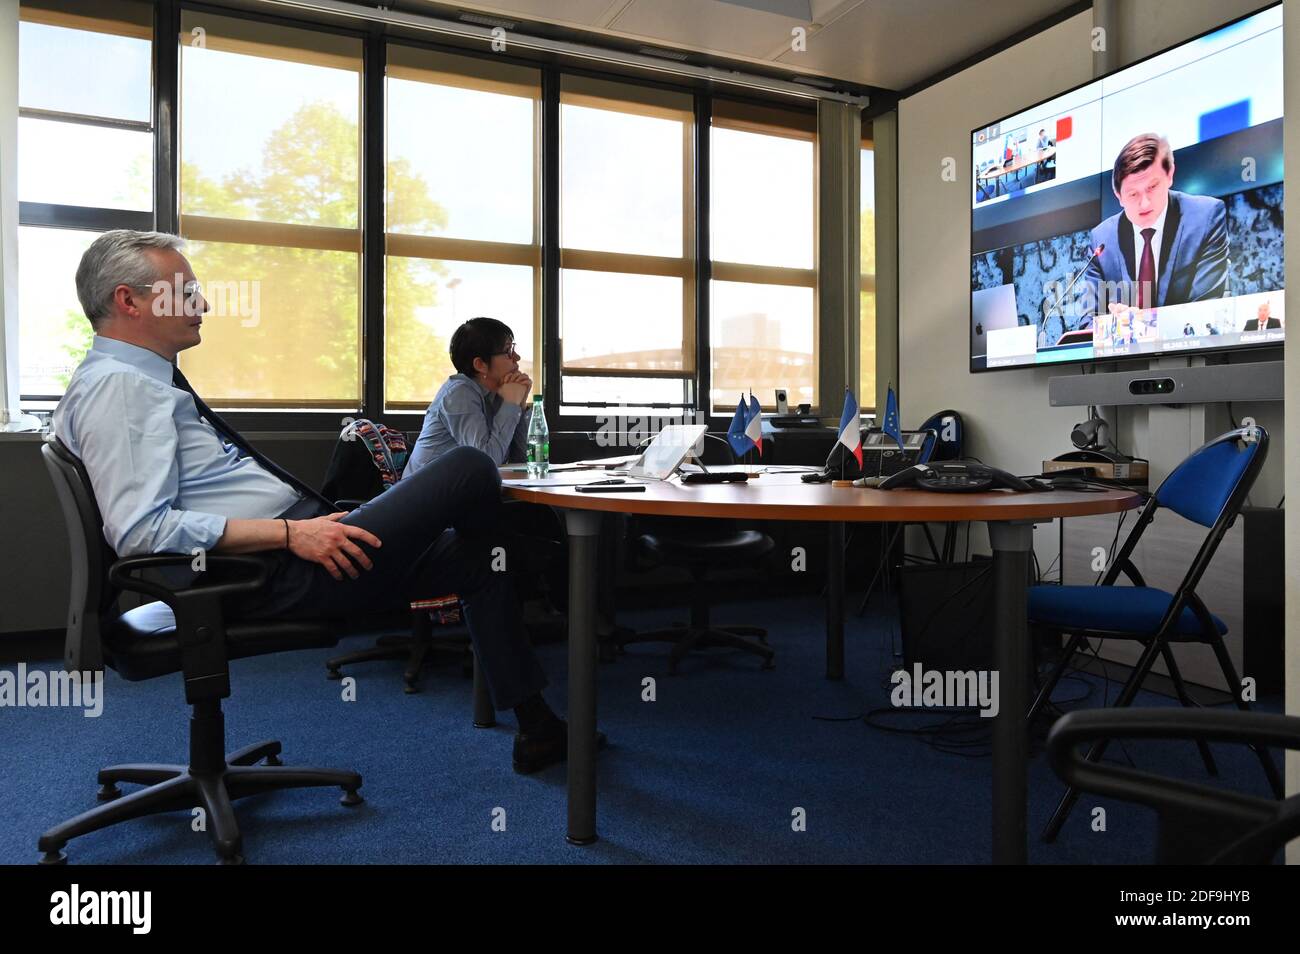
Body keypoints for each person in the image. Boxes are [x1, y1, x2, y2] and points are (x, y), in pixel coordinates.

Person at [53, 231, 591, 774]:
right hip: (265, 571)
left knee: (483, 561)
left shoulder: (134, 382)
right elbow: (140, 531)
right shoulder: (121, 388)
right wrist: (293, 534)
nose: (205, 305)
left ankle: (539, 727)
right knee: (471, 469)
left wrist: (306, 528)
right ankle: (541, 565)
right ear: (129, 301)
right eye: (186, 292)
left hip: (288, 551)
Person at [1081, 133, 1228, 316]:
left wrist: (1143, 325)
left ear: (1170, 175)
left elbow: (1206, 309)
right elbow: (1088, 321)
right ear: (1118, 196)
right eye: (1133, 194)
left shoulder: (1205, 217)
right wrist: (1112, 324)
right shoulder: (1102, 240)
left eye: (1152, 187)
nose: (1145, 204)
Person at [405, 317, 533, 475]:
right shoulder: (458, 393)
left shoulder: (498, 394)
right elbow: (485, 462)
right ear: (480, 364)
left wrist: (519, 406)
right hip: (426, 496)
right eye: (508, 351)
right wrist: (510, 404)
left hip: (462, 493)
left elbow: (523, 461)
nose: (517, 358)